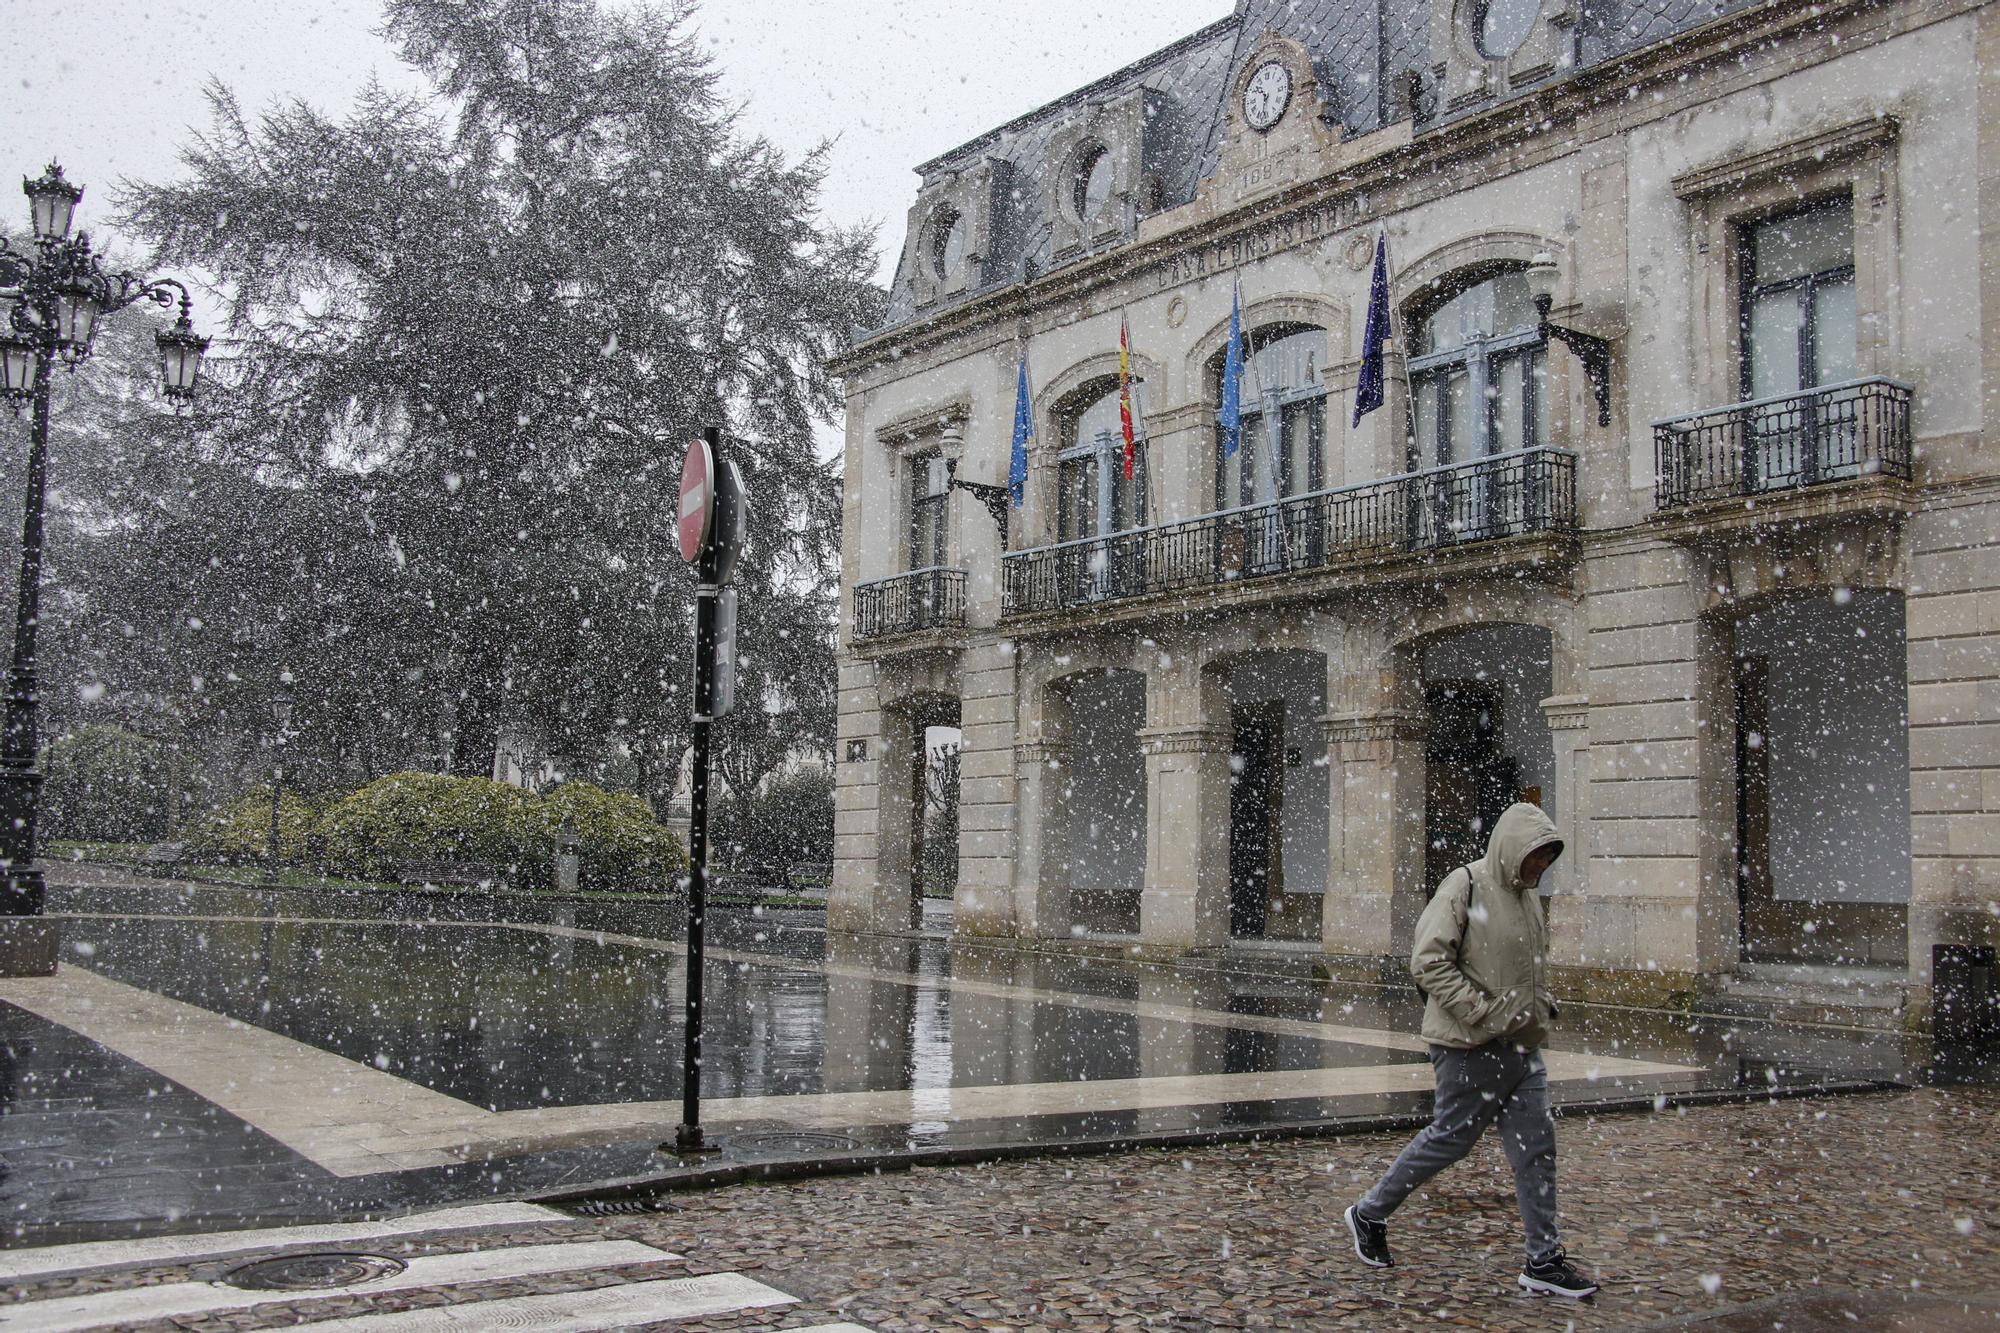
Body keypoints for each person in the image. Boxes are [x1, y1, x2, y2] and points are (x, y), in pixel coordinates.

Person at [1342, 801, 1599, 1300]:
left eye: (1548, 858)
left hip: (1522, 1047)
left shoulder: (1526, 898)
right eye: (1536, 856)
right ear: (1512, 847)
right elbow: (1428, 961)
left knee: (1536, 1149)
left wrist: (1541, 1004)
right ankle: (1369, 1213)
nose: (1541, 866)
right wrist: (1482, 1011)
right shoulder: (1465, 884)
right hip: (1466, 1045)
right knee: (1450, 1140)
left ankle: (1543, 1261)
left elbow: (1523, 965)